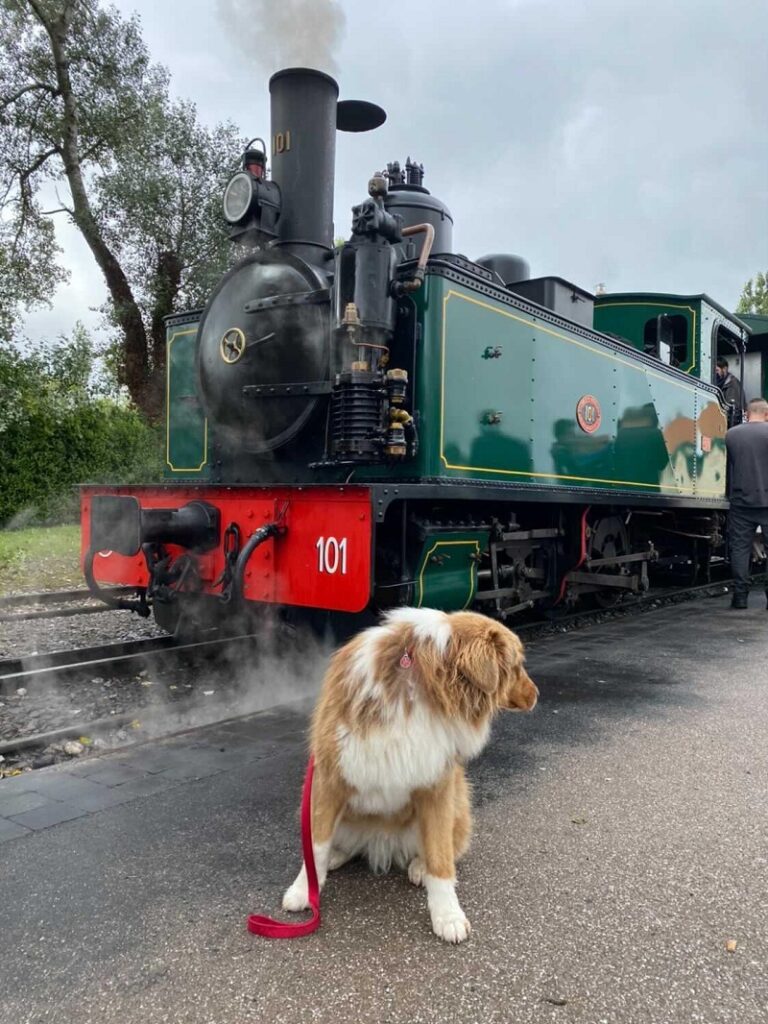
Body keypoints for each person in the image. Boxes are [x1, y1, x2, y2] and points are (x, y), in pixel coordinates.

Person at [724, 397, 768, 608]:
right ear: (767, 414)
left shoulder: (732, 435)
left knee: (740, 549)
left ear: (747, 414)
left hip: (741, 501)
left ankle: (740, 597)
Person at [716, 357, 746, 424]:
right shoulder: (721, 383)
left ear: (724, 369)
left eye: (716, 370)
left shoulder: (732, 385)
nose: (715, 374)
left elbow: (732, 409)